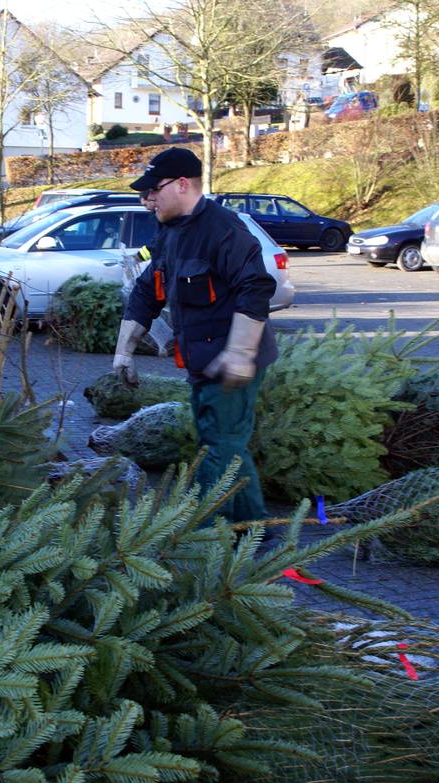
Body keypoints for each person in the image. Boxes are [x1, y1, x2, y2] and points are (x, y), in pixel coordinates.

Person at [117, 148, 277, 523]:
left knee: (219, 445)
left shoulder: (224, 230)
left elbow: (255, 287)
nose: (147, 199)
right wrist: (123, 351)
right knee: (223, 443)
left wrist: (238, 354)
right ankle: (252, 527)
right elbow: (146, 291)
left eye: (153, 190)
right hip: (203, 362)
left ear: (183, 184)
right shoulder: (170, 233)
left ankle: (202, 528)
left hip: (234, 361)